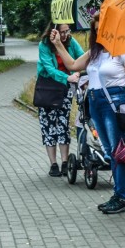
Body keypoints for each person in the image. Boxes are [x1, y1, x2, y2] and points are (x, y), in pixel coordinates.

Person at [51, 12, 125, 214]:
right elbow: (73, 65)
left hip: (115, 102)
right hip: (94, 101)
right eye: (96, 29)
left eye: (104, 28)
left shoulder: (124, 48)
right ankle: (118, 195)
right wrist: (58, 44)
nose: (100, 32)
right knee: (110, 150)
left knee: (119, 150)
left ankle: (122, 197)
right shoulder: (95, 51)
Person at [36, 23, 83, 177]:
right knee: (48, 125)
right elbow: (49, 69)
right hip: (48, 87)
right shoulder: (44, 45)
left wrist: (79, 72)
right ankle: (53, 164)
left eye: (67, 31)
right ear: (53, 31)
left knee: (63, 123)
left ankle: (64, 162)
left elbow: (81, 57)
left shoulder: (70, 41)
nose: (64, 35)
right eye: (61, 32)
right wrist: (67, 76)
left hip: (65, 89)